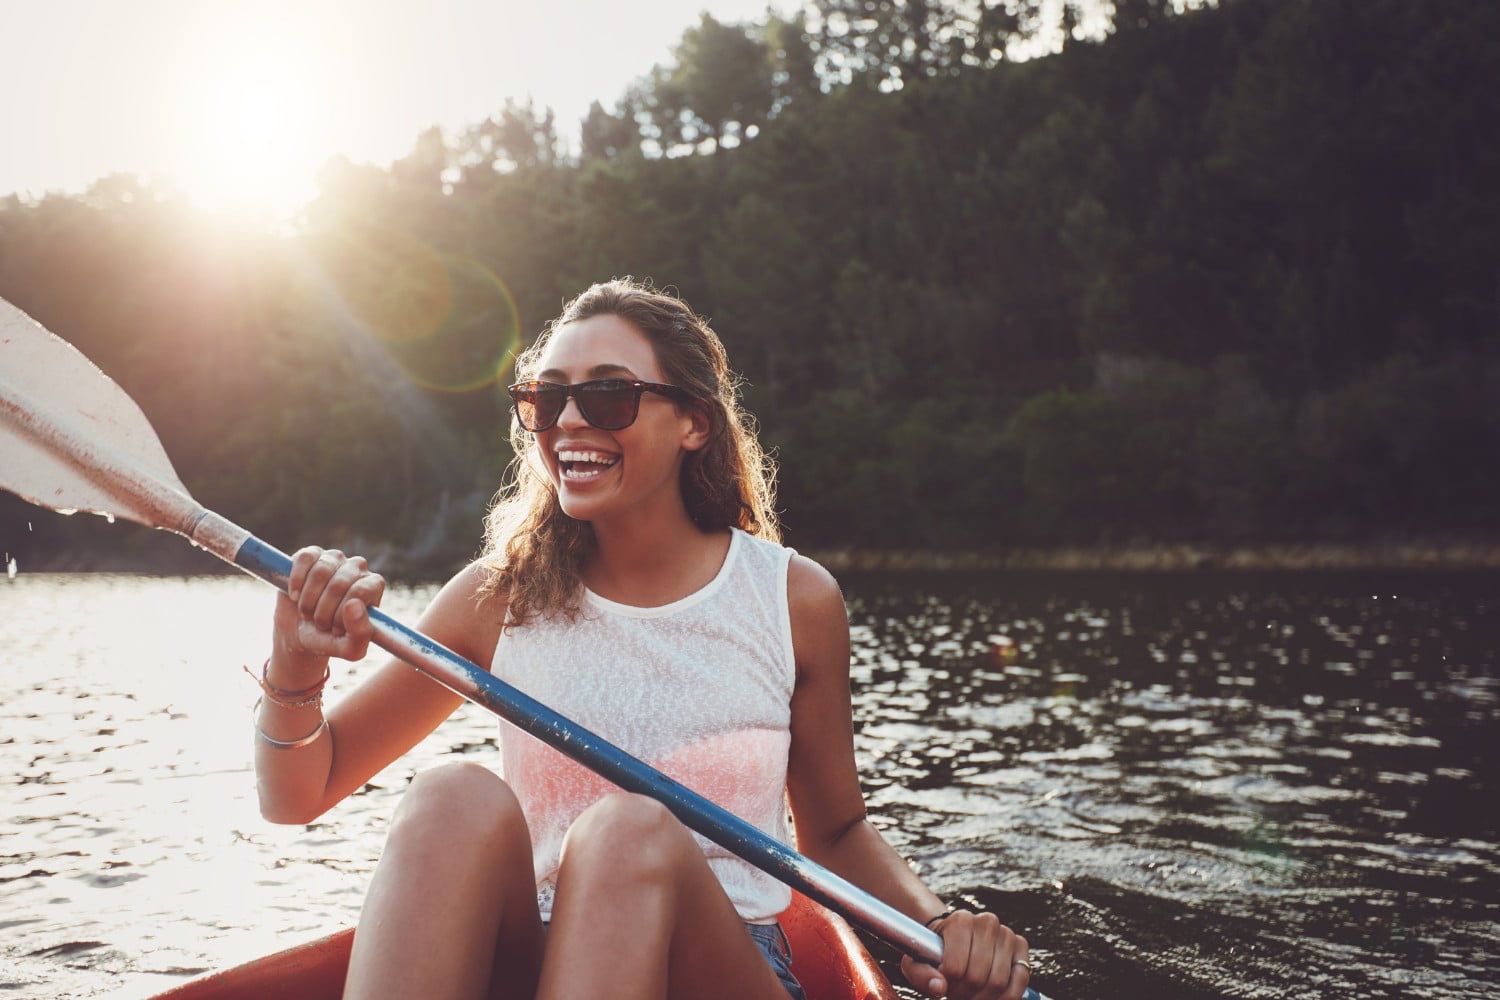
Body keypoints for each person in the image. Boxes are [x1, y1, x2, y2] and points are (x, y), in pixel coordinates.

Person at [251, 278, 1039, 1000]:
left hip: (728, 967)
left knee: (631, 831)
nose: (567, 421)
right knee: (450, 794)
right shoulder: (499, 598)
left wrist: (942, 927)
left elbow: (833, 832)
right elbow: (298, 795)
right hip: (540, 967)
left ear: (694, 422)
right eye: (547, 397)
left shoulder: (792, 599)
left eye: (607, 395)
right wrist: (296, 664)